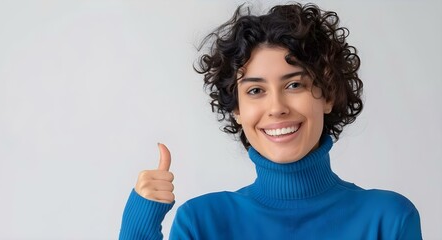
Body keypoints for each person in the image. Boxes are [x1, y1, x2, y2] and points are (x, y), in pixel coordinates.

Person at [119, 3, 422, 239]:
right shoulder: (202, 222)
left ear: (328, 95)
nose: (276, 107)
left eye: (294, 85)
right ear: (237, 109)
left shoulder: (389, 220)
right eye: (255, 90)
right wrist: (139, 224)